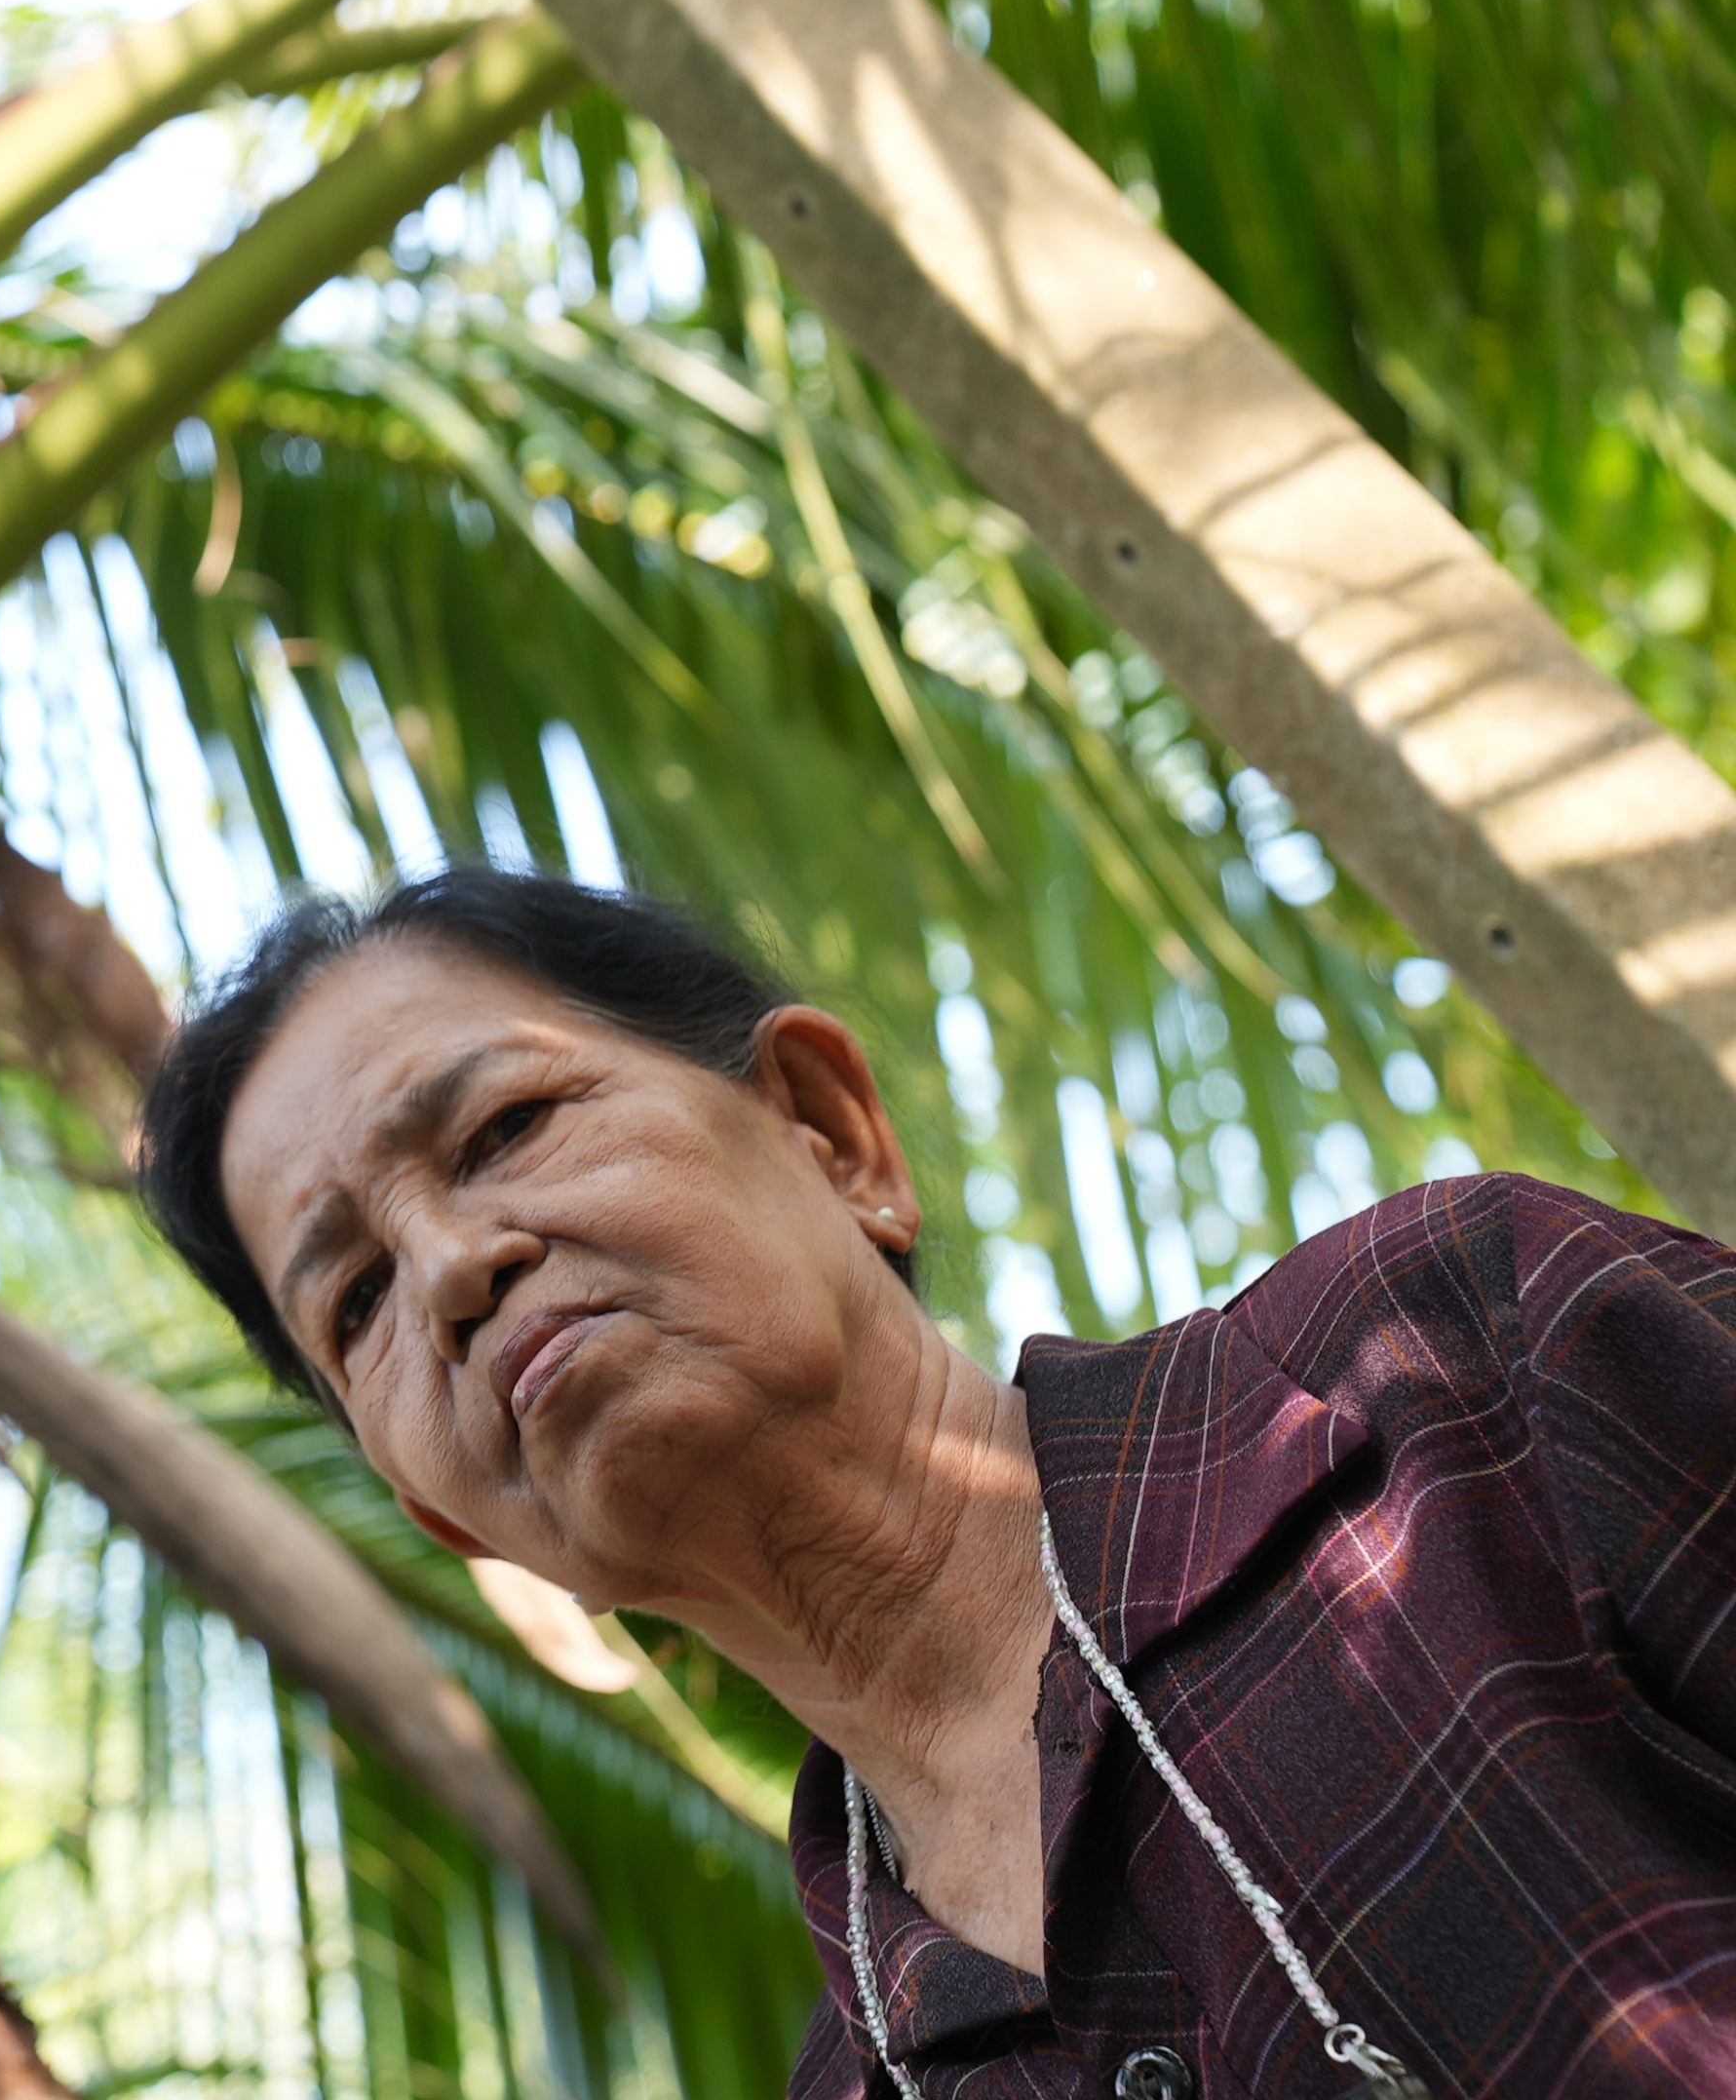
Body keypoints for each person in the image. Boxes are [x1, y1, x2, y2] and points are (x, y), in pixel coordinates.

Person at [136, 869, 1736, 2098]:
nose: (450, 1269)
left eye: (505, 1126)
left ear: (832, 1135)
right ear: (443, 1516)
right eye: (353, 1303)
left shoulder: (1445, 1362)